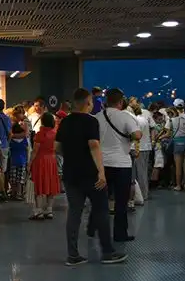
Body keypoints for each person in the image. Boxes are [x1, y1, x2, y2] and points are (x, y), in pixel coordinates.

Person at [56, 88, 127, 265]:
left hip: (70, 174)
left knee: (74, 212)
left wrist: (71, 156)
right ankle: (107, 252)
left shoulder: (65, 122)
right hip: (90, 174)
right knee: (101, 210)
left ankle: (73, 255)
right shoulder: (91, 121)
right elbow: (94, 145)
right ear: (88, 103)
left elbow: (56, 147)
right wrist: (101, 172)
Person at [96, 88, 142, 242]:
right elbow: (137, 135)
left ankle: (98, 232)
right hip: (122, 164)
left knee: (101, 200)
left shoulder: (97, 117)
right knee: (121, 202)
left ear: (106, 101)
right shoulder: (125, 116)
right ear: (121, 102)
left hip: (102, 164)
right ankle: (120, 234)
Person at [28, 112, 60, 220]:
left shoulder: (40, 134)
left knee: (39, 185)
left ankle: (39, 210)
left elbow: (35, 151)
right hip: (51, 160)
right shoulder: (55, 133)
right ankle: (49, 209)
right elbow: (56, 148)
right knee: (51, 184)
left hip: (40, 161)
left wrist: (29, 163)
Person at [168, 99, 185, 191]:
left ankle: (178, 185)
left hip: (177, 142)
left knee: (178, 166)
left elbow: (169, 132)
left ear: (175, 107)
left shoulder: (172, 119)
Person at [132, 104, 155, 202]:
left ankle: (141, 195)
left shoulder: (135, 120)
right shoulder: (144, 119)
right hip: (146, 147)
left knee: (138, 173)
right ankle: (145, 192)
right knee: (144, 172)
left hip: (139, 149)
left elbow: (136, 136)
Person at [9, 123, 29, 200]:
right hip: (22, 161)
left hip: (13, 161)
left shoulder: (11, 140)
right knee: (20, 179)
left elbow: (9, 149)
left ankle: (13, 193)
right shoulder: (24, 140)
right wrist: (27, 161)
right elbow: (27, 150)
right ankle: (19, 194)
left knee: (13, 178)